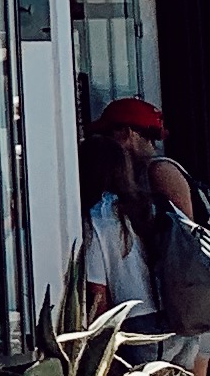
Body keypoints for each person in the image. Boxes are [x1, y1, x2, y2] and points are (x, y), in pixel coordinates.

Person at [80, 96, 201, 334]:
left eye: (107, 134)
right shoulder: (137, 180)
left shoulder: (159, 171)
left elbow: (184, 242)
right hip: (168, 309)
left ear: (126, 133)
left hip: (174, 309)